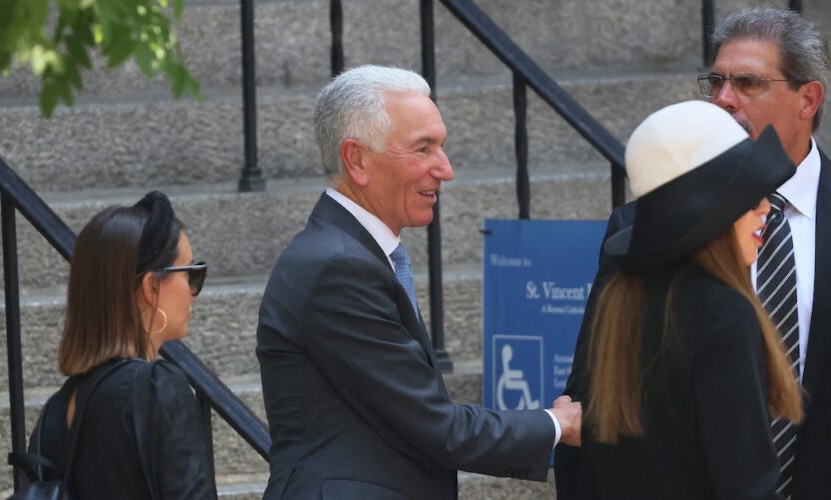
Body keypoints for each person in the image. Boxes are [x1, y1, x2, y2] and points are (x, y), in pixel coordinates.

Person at [256, 64, 581, 499]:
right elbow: (436, 426)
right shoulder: (339, 267)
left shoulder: (348, 254)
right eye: (423, 149)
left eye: (441, 148)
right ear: (357, 159)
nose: (444, 169)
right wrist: (559, 423)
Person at [556, 8, 831, 500]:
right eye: (717, 81)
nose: (724, 99)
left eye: (748, 83)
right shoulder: (639, 234)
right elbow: (593, 390)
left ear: (808, 98)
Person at [579, 100, 802, 498]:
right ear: (710, 211)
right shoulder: (724, 315)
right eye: (749, 196)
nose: (766, 209)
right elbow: (745, 484)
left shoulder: (621, 303)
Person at [33, 191, 216, 498]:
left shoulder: (56, 411)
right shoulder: (158, 390)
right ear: (150, 286)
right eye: (191, 274)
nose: (194, 291)